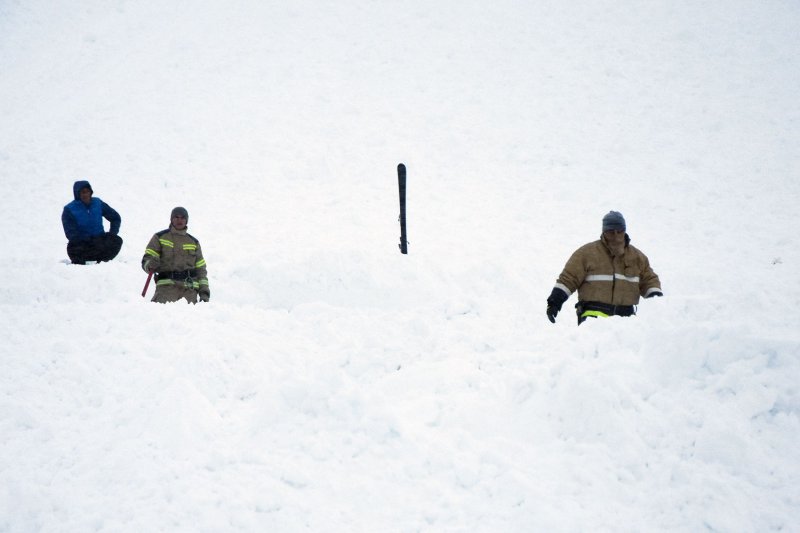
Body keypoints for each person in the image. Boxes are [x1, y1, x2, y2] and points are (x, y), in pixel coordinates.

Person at [546, 210, 662, 325]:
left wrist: (656, 300)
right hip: (593, 320)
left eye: (619, 231)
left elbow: (650, 281)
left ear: (624, 231)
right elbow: (569, 279)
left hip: (627, 323)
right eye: (611, 231)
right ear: (604, 232)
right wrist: (554, 302)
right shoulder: (587, 253)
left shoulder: (638, 257)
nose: (616, 235)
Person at [141, 207, 210, 304]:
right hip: (166, 289)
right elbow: (146, 261)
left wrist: (204, 293)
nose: (179, 220)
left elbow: (201, 269)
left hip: (189, 291)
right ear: (171, 219)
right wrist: (150, 264)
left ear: (186, 221)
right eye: (176, 217)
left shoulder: (194, 242)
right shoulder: (159, 237)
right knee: (160, 313)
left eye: (182, 218)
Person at [61, 180, 122, 264]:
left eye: (87, 191)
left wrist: (112, 233)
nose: (85, 194)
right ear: (77, 194)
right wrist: (83, 240)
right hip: (82, 245)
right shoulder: (69, 209)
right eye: (83, 192)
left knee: (116, 241)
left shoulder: (98, 203)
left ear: (91, 192)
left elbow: (115, 218)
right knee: (74, 248)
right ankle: (80, 266)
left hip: (99, 242)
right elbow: (70, 232)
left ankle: (103, 263)